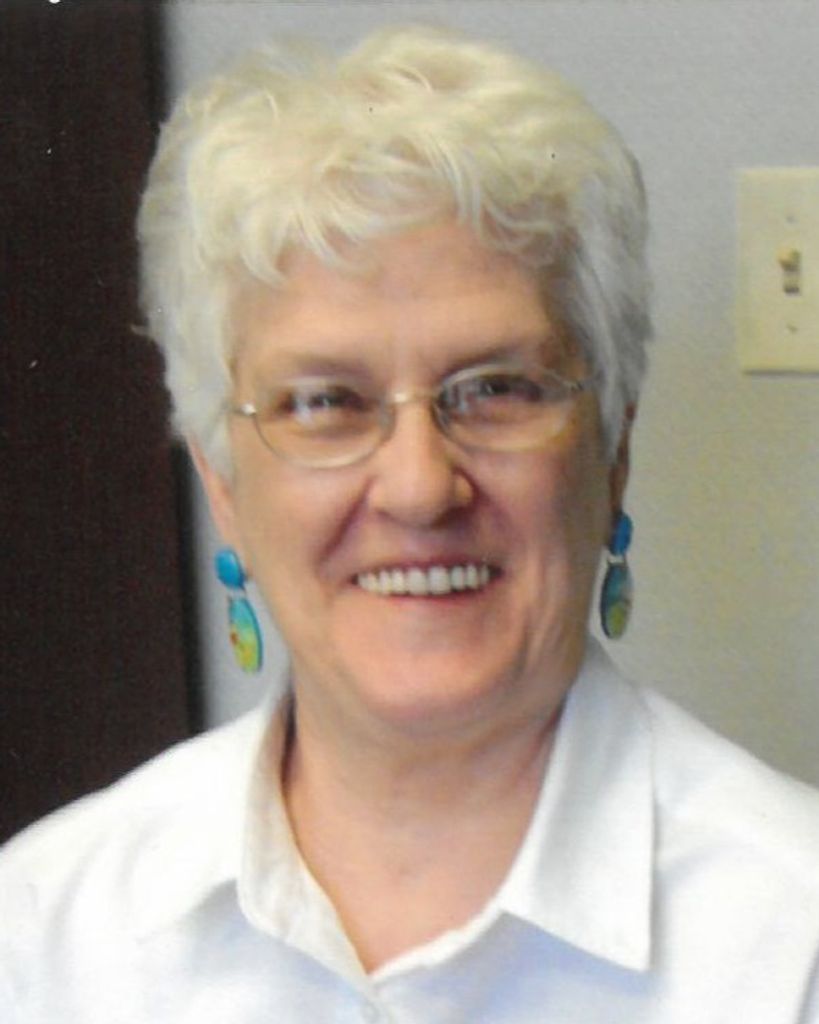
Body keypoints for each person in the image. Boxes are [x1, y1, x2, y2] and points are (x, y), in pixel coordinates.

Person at [2, 24, 819, 1023]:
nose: (420, 487)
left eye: (497, 388)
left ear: (612, 451)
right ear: (221, 478)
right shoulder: (41, 934)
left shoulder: (794, 935)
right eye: (325, 403)